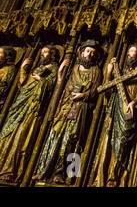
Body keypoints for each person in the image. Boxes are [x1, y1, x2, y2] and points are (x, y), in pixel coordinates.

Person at [33, 40, 103, 185]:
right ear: (82, 52)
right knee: (54, 138)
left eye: (93, 53)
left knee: (73, 141)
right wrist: (60, 73)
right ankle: (44, 171)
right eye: (88, 51)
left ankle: (68, 175)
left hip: (80, 110)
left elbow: (96, 91)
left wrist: (83, 95)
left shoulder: (96, 71)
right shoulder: (74, 68)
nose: (89, 54)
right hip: (65, 107)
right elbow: (61, 87)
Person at [90, 45, 137, 187]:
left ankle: (114, 177)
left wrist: (135, 102)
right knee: (107, 141)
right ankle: (101, 177)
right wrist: (109, 73)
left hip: (128, 112)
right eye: (128, 52)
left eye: (133, 52)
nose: (130, 55)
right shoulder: (119, 74)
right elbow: (107, 92)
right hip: (114, 110)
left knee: (122, 143)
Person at [0, 46, 59, 183]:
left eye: (46, 52)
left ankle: (10, 170)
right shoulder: (37, 68)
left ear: (53, 55)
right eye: (42, 52)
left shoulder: (53, 69)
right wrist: (23, 69)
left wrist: (40, 80)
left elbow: (51, 87)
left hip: (33, 108)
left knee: (21, 136)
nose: (43, 55)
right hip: (20, 104)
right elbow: (24, 85)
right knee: (6, 135)